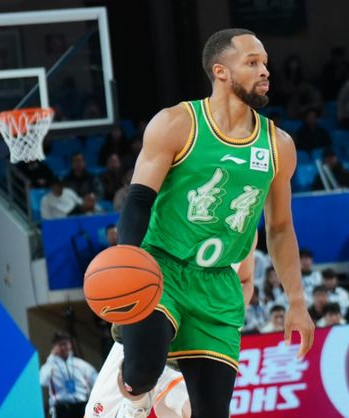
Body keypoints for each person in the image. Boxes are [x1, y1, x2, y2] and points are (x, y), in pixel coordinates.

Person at [110, 29, 315, 418]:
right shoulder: (176, 123)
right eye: (252, 63)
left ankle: (164, 383)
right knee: (142, 372)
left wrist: (297, 301)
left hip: (218, 284)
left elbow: (280, 228)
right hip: (162, 268)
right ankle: (136, 390)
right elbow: (138, 200)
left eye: (265, 63)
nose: (265, 71)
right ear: (221, 71)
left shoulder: (278, 145)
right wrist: (129, 261)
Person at [86, 245, 258, 418]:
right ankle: (136, 401)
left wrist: (221, 320)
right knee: (100, 412)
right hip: (154, 320)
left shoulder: (245, 231)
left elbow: (245, 281)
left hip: (198, 334)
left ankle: (135, 405)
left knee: (200, 408)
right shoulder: (164, 229)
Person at [40, 331, 97, 418]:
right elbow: (42, 381)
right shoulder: (50, 366)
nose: (63, 347)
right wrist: (51, 357)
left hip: (81, 406)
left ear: (70, 344)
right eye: (60, 345)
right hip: (62, 409)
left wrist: (94, 399)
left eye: (65, 344)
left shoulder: (80, 364)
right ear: (54, 347)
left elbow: (96, 379)